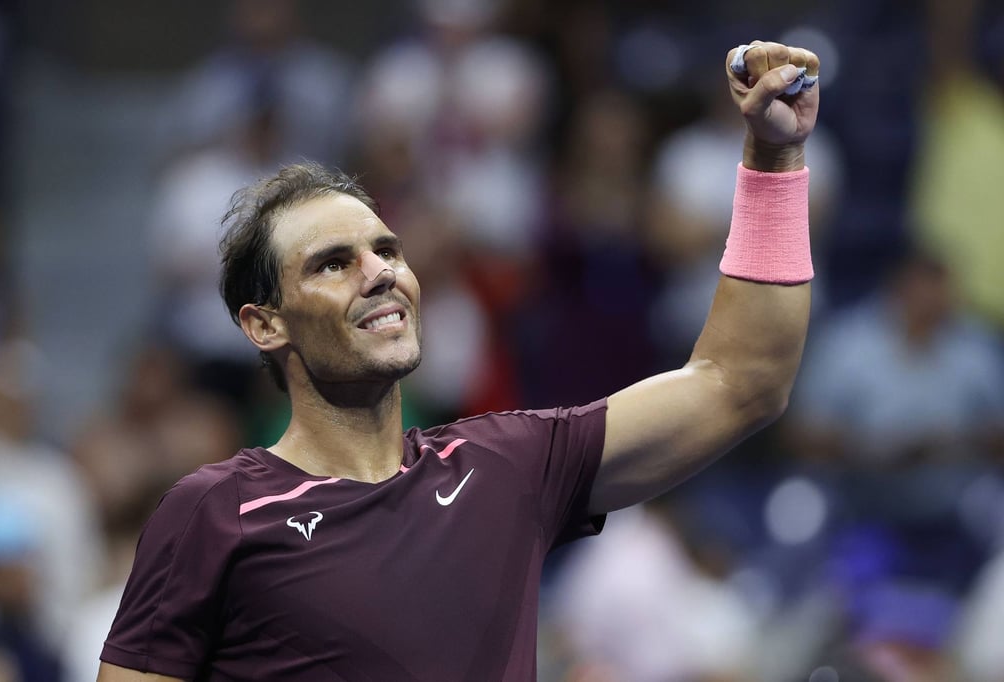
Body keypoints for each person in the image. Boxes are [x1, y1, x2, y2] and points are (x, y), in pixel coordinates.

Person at [97, 39, 820, 681]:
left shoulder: (510, 467)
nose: (379, 271)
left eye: (387, 250)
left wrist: (775, 160)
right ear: (264, 324)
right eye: (332, 263)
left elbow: (743, 380)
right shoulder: (213, 513)